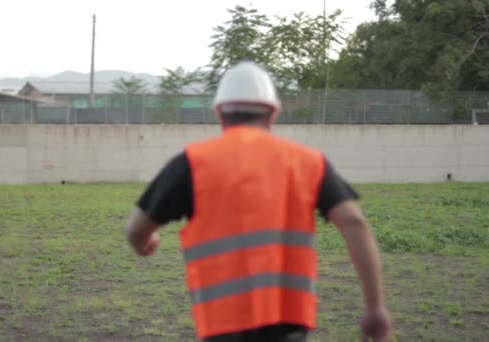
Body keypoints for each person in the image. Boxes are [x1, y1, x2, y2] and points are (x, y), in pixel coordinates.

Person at [125, 61, 392, 342]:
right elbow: (354, 222)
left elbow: (135, 230)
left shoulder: (192, 163)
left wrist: (145, 241)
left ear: (220, 112)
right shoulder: (308, 162)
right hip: (289, 323)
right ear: (273, 113)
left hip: (222, 325)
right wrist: (375, 307)